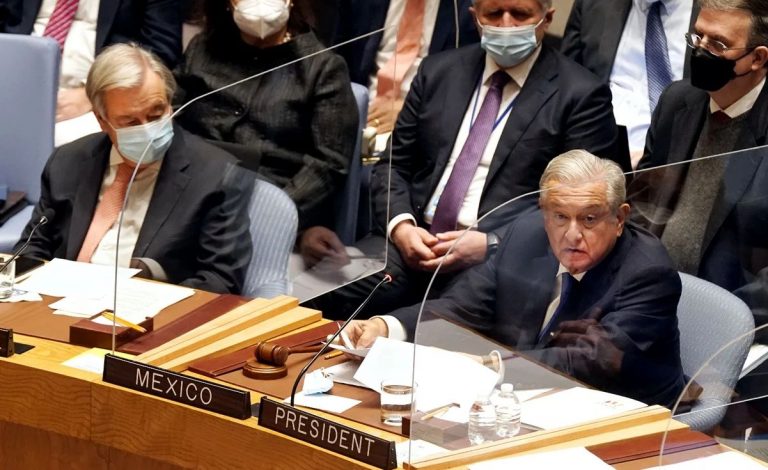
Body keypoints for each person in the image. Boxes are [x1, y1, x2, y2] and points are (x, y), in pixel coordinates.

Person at [313, 0, 627, 319]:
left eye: (520, 14)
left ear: (546, 19)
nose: (506, 25)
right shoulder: (438, 71)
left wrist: (492, 242)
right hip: (409, 243)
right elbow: (393, 166)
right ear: (475, 18)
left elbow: (581, 203)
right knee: (313, 298)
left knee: (423, 326)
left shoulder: (581, 94)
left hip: (496, 260)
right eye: (494, 14)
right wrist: (402, 226)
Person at [347, 150, 686, 407]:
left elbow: (587, 362)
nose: (572, 234)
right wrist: (389, 328)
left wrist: (491, 366)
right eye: (560, 216)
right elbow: (462, 306)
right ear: (543, 212)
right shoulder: (526, 235)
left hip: (622, 415)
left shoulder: (648, 273)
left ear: (619, 219)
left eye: (589, 219)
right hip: (526, 398)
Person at [15, 43, 252, 295]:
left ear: (170, 104)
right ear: (102, 120)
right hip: (60, 301)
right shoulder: (67, 162)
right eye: (130, 122)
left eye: (156, 114)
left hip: (148, 309)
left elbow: (220, 281)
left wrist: (150, 301)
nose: (148, 131)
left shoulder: (218, 176)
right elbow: (33, 249)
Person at [631, 0, 768, 340]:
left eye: (718, 44)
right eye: (698, 37)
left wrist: (725, 323)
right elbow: (641, 208)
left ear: (758, 58)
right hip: (646, 303)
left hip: (729, 324)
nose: (701, 51)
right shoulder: (677, 100)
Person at [173, 0, 358, 235]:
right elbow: (169, 116)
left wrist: (275, 213)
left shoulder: (322, 68)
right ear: (228, 4)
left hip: (267, 207)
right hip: (191, 196)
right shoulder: (201, 49)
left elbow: (329, 165)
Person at [0, 0, 182, 144]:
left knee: (66, 148)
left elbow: (161, 48)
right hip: (15, 82)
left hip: (98, 96)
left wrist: (93, 95)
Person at [562, 0, 698, 166]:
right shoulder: (593, 5)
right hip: (590, 151)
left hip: (670, 159)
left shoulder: (712, 16)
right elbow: (565, 84)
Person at [334, 0, 479, 140]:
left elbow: (474, 84)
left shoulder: (473, 8)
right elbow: (336, 62)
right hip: (358, 112)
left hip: (421, 124)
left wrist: (411, 112)